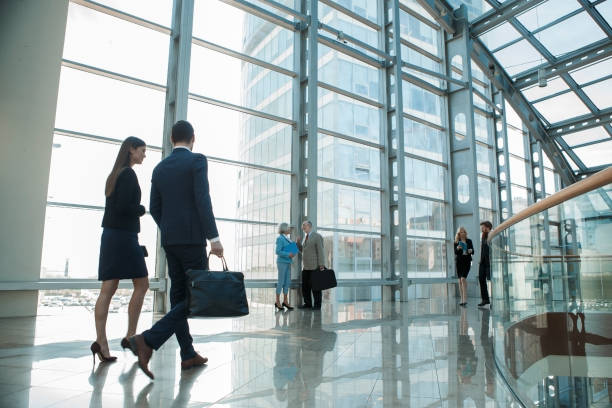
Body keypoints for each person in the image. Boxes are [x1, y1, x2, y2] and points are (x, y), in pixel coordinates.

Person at [128, 120, 223, 379]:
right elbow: (203, 200)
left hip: (171, 241)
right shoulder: (197, 161)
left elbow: (154, 208)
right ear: (193, 138)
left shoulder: (159, 169)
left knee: (179, 295)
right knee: (195, 297)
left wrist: (170, 228)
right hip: (193, 240)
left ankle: (188, 353)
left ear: (172, 139)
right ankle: (147, 340)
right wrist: (213, 238)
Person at [92, 136, 149, 364]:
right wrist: (142, 209)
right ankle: (131, 336)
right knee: (142, 284)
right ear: (131, 150)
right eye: (142, 150)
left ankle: (101, 342)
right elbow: (126, 207)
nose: (144, 154)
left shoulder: (115, 174)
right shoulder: (128, 174)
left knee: (108, 288)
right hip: (124, 237)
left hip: (112, 236)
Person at [296, 220, 325, 310]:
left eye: (304, 226)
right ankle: (307, 304)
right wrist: (298, 243)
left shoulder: (317, 236)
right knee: (305, 287)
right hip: (306, 267)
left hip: (315, 266)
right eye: (302, 226)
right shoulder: (305, 237)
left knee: (316, 287)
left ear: (309, 226)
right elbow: (303, 251)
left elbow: (320, 251)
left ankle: (317, 305)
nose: (303, 228)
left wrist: (321, 264)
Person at [275, 222, 296, 311]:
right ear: (284, 228)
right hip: (282, 262)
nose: (290, 229)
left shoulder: (288, 239)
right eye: (288, 228)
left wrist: (293, 253)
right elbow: (278, 251)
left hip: (288, 262)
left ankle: (285, 301)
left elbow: (291, 250)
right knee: (281, 281)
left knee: (287, 282)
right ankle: (277, 301)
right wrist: (288, 254)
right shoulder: (280, 238)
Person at [454, 226, 473, 307]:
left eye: (464, 232)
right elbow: (455, 252)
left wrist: (470, 250)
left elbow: (473, 251)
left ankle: (465, 299)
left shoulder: (469, 241)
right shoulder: (456, 242)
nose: (463, 233)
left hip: (467, 262)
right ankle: (462, 299)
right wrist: (458, 248)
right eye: (461, 232)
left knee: (463, 279)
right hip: (459, 262)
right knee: (459, 281)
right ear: (459, 233)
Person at [478, 221, 492, 308]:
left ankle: (493, 300)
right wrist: (480, 260)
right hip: (483, 262)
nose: (481, 229)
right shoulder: (483, 236)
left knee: (491, 280)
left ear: (487, 227)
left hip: (490, 262)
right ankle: (485, 299)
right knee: (481, 279)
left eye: (483, 227)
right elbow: (482, 249)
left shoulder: (492, 234)